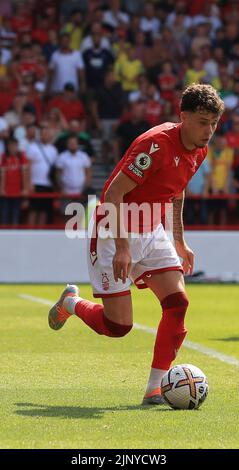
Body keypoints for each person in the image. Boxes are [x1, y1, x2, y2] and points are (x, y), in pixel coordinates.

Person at [48, 84, 224, 405]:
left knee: (177, 304)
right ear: (182, 116)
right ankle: (71, 303)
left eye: (213, 123)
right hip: (113, 232)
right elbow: (113, 193)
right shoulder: (154, 145)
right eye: (202, 121)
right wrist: (124, 247)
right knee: (118, 326)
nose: (209, 130)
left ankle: (154, 390)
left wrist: (179, 241)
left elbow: (176, 191)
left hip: (153, 230)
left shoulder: (199, 149)